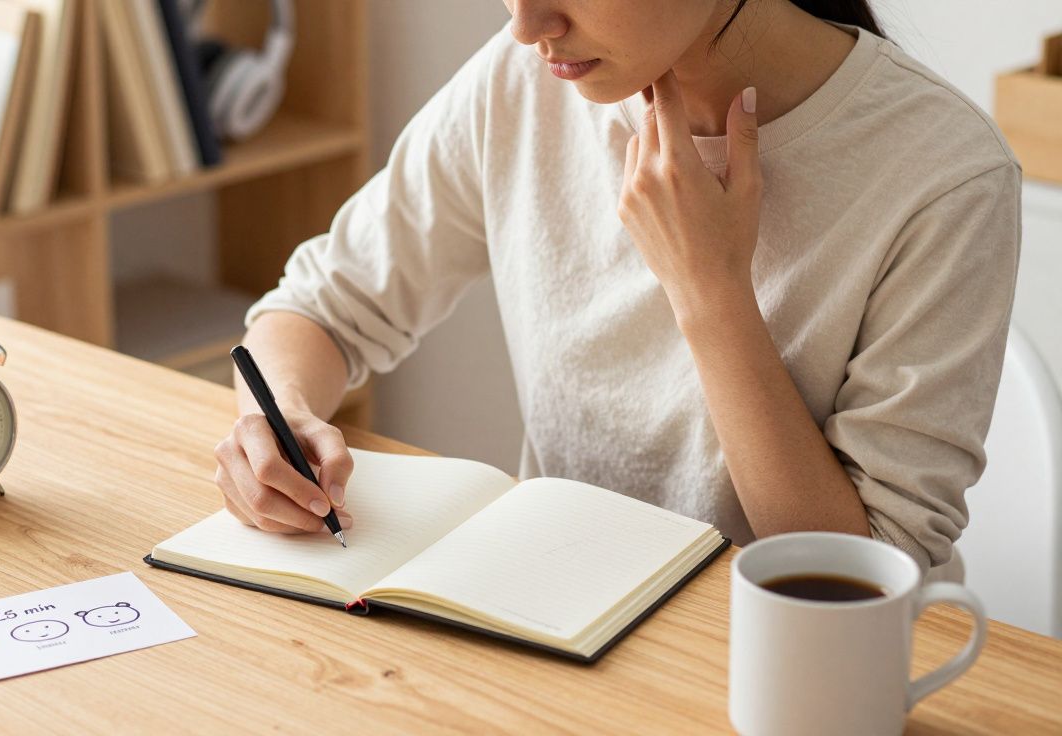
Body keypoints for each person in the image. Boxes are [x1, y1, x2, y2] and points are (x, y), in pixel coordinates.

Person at [210, 0, 1021, 581]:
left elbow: (862, 573)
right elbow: (320, 305)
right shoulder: (524, 80)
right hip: (566, 632)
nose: (527, 25)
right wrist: (275, 422)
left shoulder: (942, 175)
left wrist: (709, 289)